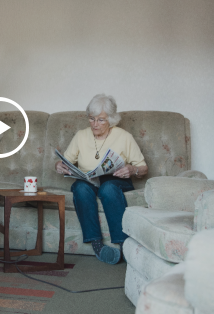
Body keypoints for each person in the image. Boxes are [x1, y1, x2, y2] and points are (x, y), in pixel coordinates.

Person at [54, 94, 148, 264]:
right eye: (92, 118)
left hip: (115, 181)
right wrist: (59, 165)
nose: (95, 124)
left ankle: (123, 245)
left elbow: (143, 168)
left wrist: (132, 169)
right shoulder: (81, 136)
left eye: (101, 120)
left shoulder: (123, 136)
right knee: (80, 188)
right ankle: (98, 245)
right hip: (89, 180)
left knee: (108, 188)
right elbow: (64, 160)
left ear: (111, 120)